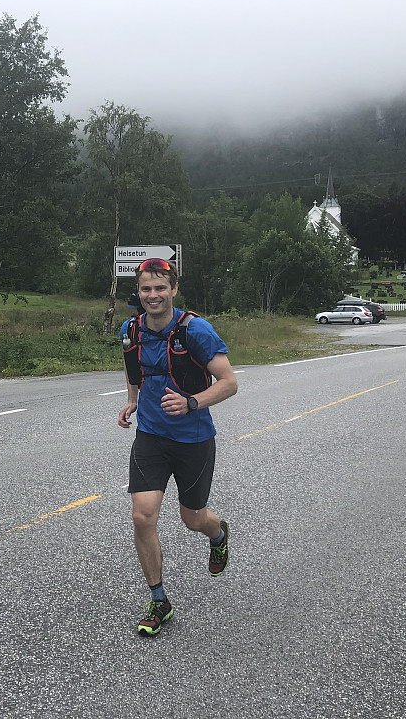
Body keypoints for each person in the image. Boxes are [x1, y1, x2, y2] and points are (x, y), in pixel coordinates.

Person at [117, 257, 238, 636]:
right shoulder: (131, 329)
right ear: (138, 292)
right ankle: (159, 599)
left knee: (193, 519)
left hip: (194, 439)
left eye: (159, 288)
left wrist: (191, 402)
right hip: (151, 436)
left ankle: (218, 535)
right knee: (142, 515)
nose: (152, 295)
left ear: (173, 290)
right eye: (145, 289)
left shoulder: (196, 330)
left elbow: (229, 382)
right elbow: (133, 366)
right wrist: (133, 399)